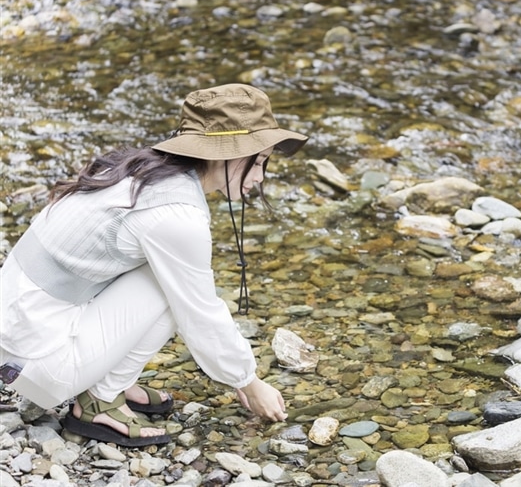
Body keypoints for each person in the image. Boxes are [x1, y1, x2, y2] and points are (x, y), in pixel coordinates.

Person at [0, 83, 308, 447]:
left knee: (166, 274)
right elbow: (201, 315)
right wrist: (249, 382)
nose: (259, 178)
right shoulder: (174, 215)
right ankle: (100, 399)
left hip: (18, 332)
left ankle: (111, 380)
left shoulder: (144, 173)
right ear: (223, 154)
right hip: (38, 362)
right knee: (177, 289)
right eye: (257, 162)